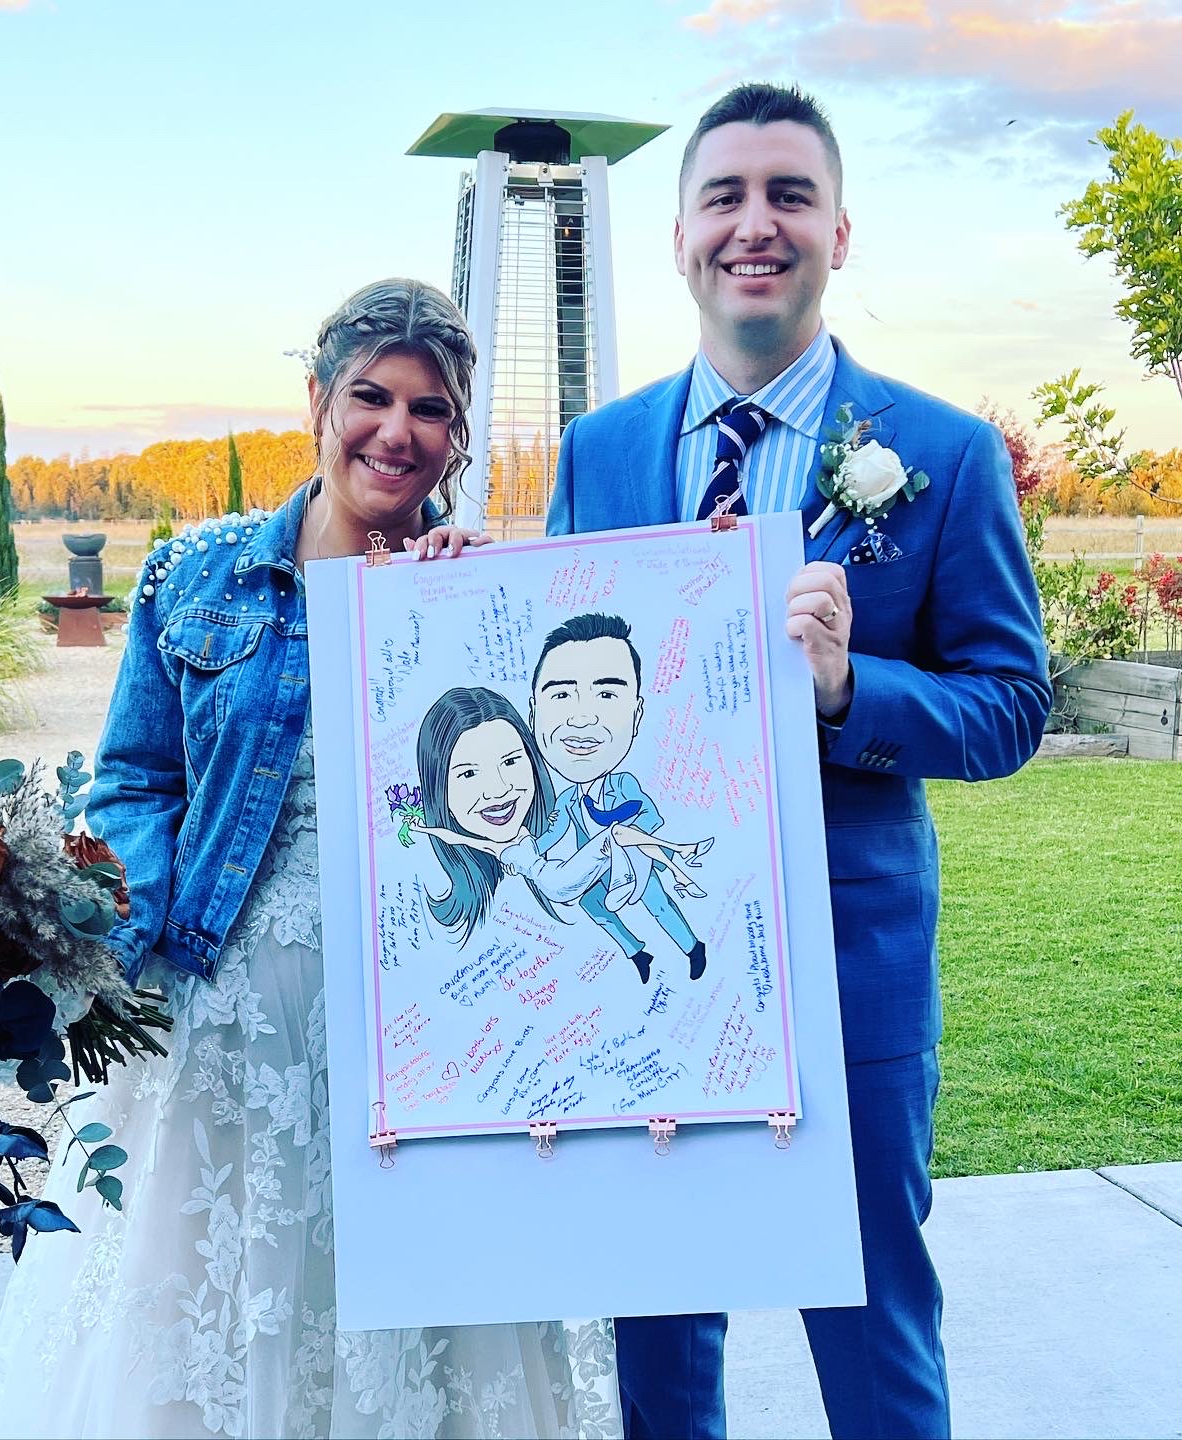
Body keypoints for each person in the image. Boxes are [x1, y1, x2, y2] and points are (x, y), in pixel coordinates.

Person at [0, 279, 622, 1440]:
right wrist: (116, 931)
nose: (397, 432)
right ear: (318, 401)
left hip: (427, 1018)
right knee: (218, 1304)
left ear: (457, 434)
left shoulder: (479, 590)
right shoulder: (194, 574)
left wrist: (488, 612)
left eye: (431, 409)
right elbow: (136, 777)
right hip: (230, 1008)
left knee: (419, 1330)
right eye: (372, 397)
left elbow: (535, 795)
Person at [547, 83, 1050, 1439]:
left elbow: (1013, 705)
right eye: (724, 196)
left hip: (848, 969)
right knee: (657, 1339)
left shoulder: (941, 454)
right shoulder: (600, 451)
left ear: (839, 230)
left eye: (789, 195)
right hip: (651, 976)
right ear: (679, 237)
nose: (754, 225)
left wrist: (846, 688)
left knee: (875, 1332)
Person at [413, 684, 709, 938]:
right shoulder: (499, 865)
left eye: (511, 762)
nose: (498, 789)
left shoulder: (538, 828)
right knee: (616, 839)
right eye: (468, 774)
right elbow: (456, 839)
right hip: (558, 882)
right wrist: (424, 828)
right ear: (438, 790)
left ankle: (674, 865)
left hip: (564, 875)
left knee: (619, 838)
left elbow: (548, 838)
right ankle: (675, 859)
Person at [529, 613, 713, 985]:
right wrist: (525, 851)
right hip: (599, 865)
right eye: (561, 695)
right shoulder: (567, 801)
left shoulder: (624, 784)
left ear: (636, 715)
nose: (582, 718)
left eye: (607, 695)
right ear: (534, 714)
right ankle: (637, 951)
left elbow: (649, 817)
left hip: (635, 860)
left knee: (657, 902)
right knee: (590, 902)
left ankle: (692, 947)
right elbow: (551, 835)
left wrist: (632, 843)